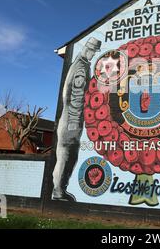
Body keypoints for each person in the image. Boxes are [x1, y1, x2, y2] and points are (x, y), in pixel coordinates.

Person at [52, 37, 101, 202]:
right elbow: (76, 98)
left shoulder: (79, 64)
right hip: (72, 120)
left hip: (69, 119)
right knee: (67, 154)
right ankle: (58, 191)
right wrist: (76, 123)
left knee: (69, 155)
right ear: (87, 49)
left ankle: (60, 189)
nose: (93, 55)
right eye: (93, 52)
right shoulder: (80, 67)